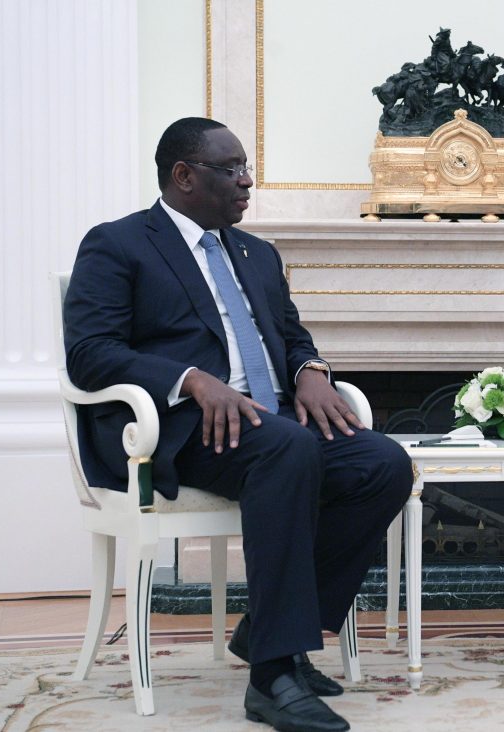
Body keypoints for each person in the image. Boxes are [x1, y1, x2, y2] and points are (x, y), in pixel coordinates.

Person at [65, 117, 412, 732]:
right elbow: (90, 353)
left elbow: (293, 336)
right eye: (231, 169)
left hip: (273, 422)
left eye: (246, 167)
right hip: (185, 429)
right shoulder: (118, 244)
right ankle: (273, 678)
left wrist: (311, 371)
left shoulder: (258, 253)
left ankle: (264, 632)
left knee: (383, 463)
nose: (246, 181)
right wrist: (192, 379)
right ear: (183, 176)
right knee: (287, 447)